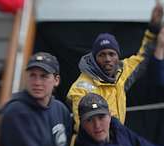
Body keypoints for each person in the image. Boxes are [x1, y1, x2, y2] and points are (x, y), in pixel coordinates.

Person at [67, 3, 163, 133]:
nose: (107, 59)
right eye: (102, 55)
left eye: (111, 54)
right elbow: (85, 129)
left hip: (117, 142)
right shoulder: (80, 89)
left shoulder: (121, 72)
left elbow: (142, 58)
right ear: (94, 58)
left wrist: (152, 30)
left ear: (118, 57)